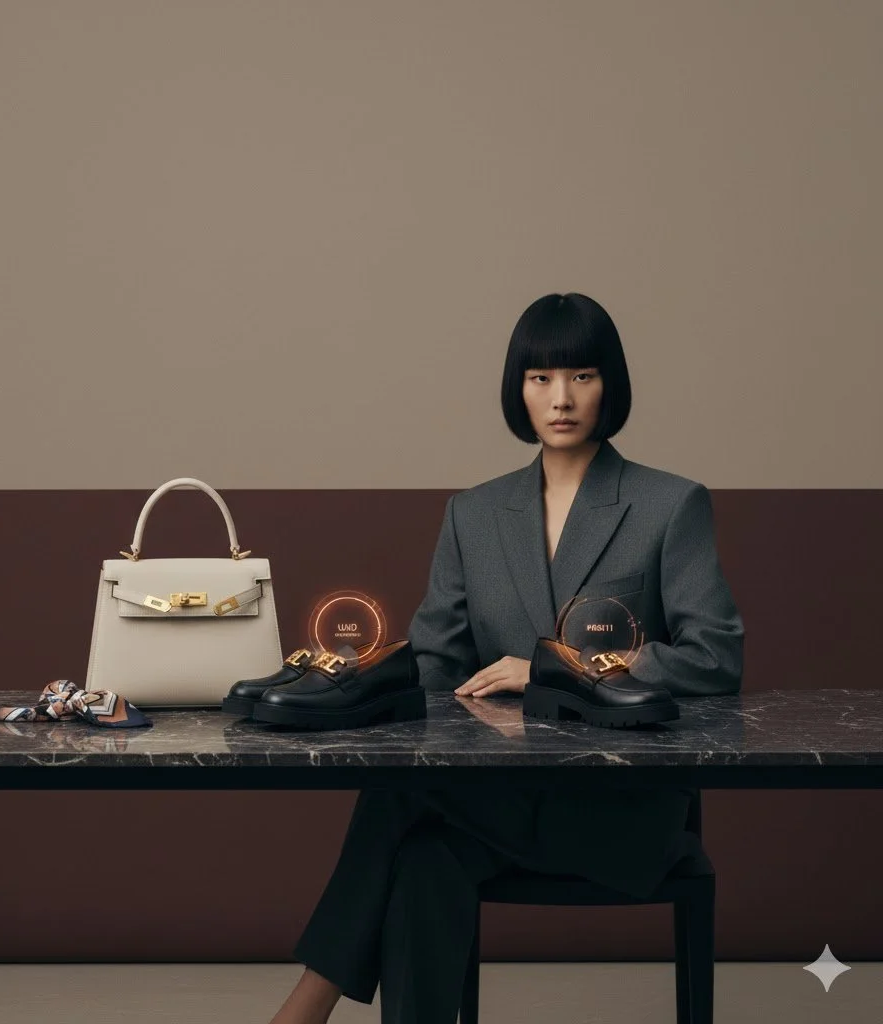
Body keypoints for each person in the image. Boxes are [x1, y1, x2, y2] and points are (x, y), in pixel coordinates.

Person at [267, 292, 745, 1024]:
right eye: (540, 379)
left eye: (582, 376)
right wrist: (346, 682)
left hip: (621, 809)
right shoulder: (474, 513)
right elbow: (433, 666)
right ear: (516, 389)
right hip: (494, 798)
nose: (561, 399)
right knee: (423, 860)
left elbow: (716, 658)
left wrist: (554, 671)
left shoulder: (669, 504)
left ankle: (307, 1005)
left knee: (403, 797)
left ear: (609, 384)